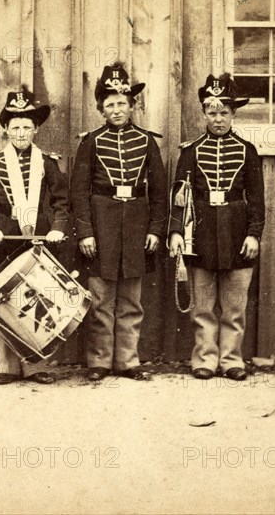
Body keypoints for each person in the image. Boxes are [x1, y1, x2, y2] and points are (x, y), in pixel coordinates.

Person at [70, 64, 168, 381]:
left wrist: (155, 229)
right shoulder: (91, 142)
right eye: (110, 104)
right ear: (101, 108)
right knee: (100, 298)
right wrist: (85, 232)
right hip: (101, 226)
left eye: (122, 103)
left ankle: (127, 361)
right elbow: (79, 193)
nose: (116, 109)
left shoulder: (147, 142)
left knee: (131, 300)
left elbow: (159, 192)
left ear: (132, 105)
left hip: (137, 228)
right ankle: (99, 361)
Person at [168, 73, 265, 381]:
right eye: (213, 112)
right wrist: (176, 232)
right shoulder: (191, 151)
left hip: (237, 229)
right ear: (204, 113)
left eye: (225, 112)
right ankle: (205, 360)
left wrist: (253, 233)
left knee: (235, 305)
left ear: (234, 113)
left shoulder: (247, 151)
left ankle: (231, 360)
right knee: (203, 305)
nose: (219, 118)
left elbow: (257, 198)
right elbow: (180, 198)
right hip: (202, 230)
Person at [0, 88, 68, 385]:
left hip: (39, 236)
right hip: (5, 237)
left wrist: (57, 228)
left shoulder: (48, 163)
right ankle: (7, 365)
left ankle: (35, 366)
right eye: (15, 127)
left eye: (27, 127)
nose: (21, 132)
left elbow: (62, 202)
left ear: (35, 129)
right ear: (6, 129)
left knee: (38, 296)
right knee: (5, 297)